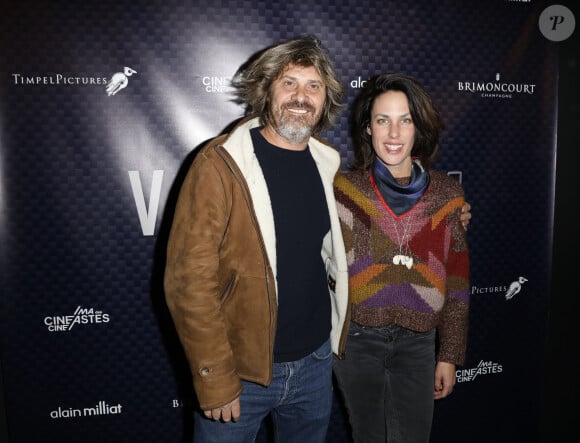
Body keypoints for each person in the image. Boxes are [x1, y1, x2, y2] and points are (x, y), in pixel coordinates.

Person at [164, 36, 349, 443]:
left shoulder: (327, 163)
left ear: (325, 100)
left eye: (313, 86)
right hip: (241, 371)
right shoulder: (219, 165)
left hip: (315, 363)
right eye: (289, 83)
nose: (301, 97)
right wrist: (213, 376)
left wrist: (446, 206)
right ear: (266, 91)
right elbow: (189, 282)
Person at [332, 73, 470, 443]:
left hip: (419, 344)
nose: (393, 134)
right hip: (357, 342)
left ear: (418, 127)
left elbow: (456, 281)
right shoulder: (342, 191)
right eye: (382, 120)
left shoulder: (447, 194)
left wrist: (450, 353)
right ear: (367, 129)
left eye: (404, 120)